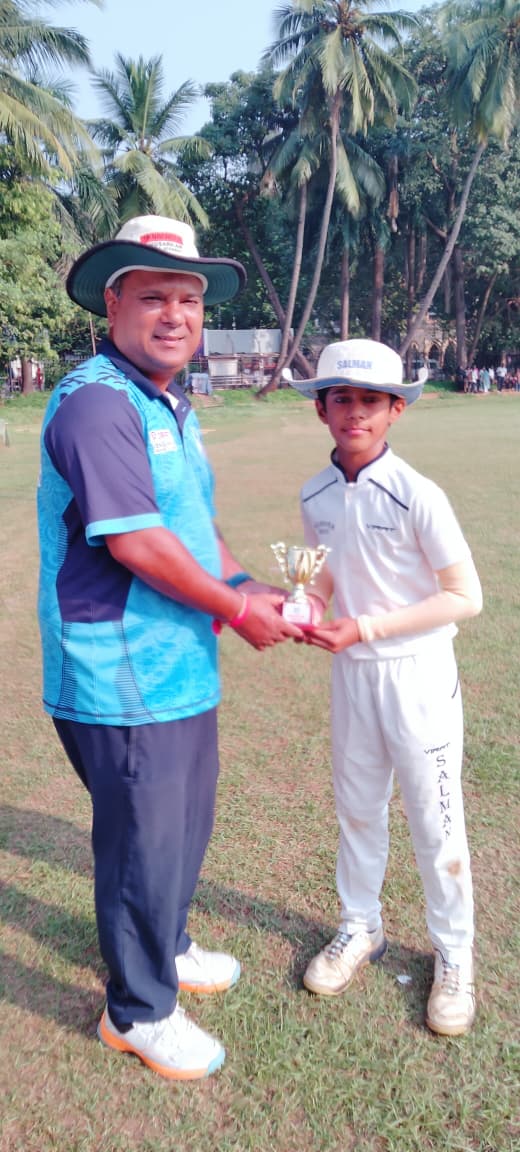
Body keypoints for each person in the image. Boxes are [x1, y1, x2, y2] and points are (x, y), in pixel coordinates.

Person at [37, 215, 303, 1081]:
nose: (175, 315)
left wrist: (247, 589)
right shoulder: (95, 403)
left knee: (184, 824)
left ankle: (169, 942)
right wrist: (231, 604)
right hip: (119, 669)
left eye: (188, 299)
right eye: (153, 296)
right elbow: (137, 545)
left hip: (180, 661)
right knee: (140, 842)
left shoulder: (170, 403)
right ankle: (138, 1010)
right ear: (112, 304)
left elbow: (189, 529)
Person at [287, 338, 483, 1037]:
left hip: (419, 676)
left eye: (371, 400)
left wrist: (365, 627)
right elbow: (318, 575)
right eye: (341, 398)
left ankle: (454, 957)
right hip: (354, 679)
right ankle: (358, 927)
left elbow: (466, 596)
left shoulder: (417, 493)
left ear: (396, 409)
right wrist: (303, 602)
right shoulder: (314, 493)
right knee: (358, 811)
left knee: (436, 824)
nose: (355, 413)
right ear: (322, 409)